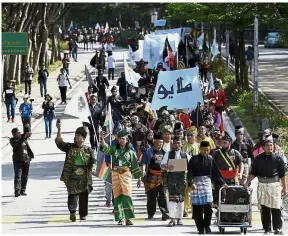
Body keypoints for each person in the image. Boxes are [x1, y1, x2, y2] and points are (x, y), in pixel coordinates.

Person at [100, 130, 143, 226]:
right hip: (115, 175)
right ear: (118, 139)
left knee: (127, 195)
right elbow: (105, 148)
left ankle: (128, 218)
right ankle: (120, 218)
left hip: (126, 175)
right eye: (120, 139)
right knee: (117, 196)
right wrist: (102, 139)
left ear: (127, 140)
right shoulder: (114, 149)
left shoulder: (131, 152)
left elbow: (135, 166)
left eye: (123, 139)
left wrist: (139, 179)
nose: (122, 140)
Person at [244, 137, 286, 235]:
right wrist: (247, 182)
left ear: (274, 146)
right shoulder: (258, 158)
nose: (269, 147)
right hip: (262, 185)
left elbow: (283, 174)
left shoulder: (278, 157)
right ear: (263, 147)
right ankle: (267, 229)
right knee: (265, 208)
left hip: (275, 186)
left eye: (271, 145)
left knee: (276, 208)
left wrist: (285, 188)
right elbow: (253, 172)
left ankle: (277, 228)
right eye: (267, 145)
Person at [55, 124, 96, 222]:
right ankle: (72, 212)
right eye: (76, 135)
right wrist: (59, 129)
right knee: (72, 193)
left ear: (83, 138)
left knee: (84, 194)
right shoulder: (69, 147)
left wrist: (93, 168)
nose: (76, 137)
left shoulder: (88, 149)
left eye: (79, 136)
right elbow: (60, 142)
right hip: (72, 175)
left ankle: (83, 214)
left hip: (84, 176)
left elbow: (93, 161)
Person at [188, 141, 226, 234]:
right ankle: (200, 228)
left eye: (207, 150)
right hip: (195, 185)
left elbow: (216, 174)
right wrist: (191, 183)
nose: (206, 152)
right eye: (204, 150)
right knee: (197, 209)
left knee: (208, 208)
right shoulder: (193, 159)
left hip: (207, 184)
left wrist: (223, 183)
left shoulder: (211, 159)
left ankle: (207, 226)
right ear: (200, 149)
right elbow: (190, 173)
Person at [161, 136, 191, 227]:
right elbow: (162, 165)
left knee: (181, 199)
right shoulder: (168, 154)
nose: (177, 145)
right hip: (172, 179)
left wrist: (187, 170)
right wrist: (167, 167)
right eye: (175, 143)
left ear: (182, 144)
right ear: (172, 144)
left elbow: (191, 167)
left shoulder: (186, 155)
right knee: (172, 200)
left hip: (182, 179)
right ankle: (172, 219)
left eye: (178, 143)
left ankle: (179, 218)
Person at [142, 134, 170, 221]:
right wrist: (143, 170)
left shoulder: (165, 152)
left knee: (163, 196)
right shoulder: (148, 152)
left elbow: (169, 164)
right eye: (158, 142)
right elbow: (144, 163)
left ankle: (165, 213)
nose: (160, 144)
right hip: (151, 177)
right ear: (154, 142)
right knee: (151, 197)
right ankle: (150, 214)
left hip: (162, 177)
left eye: (161, 142)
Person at [213, 131, 244, 204]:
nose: (222, 144)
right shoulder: (217, 153)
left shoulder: (235, 153)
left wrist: (241, 173)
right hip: (220, 180)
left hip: (233, 180)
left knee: (233, 198)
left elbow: (241, 164)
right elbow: (213, 167)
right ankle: (220, 213)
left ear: (229, 143)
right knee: (220, 199)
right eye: (222, 142)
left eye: (225, 143)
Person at [10, 127, 34, 197]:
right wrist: (24, 137)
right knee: (18, 176)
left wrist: (27, 132)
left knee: (25, 176)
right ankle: (17, 191)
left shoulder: (22, 138)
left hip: (26, 160)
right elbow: (18, 143)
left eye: (20, 132)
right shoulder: (13, 140)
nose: (19, 133)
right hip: (18, 161)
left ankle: (22, 190)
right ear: (14, 134)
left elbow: (27, 134)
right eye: (18, 133)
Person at [183, 126, 200, 217]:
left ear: (195, 136)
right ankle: (185, 209)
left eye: (191, 135)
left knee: (196, 191)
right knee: (186, 190)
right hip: (186, 171)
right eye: (188, 135)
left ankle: (195, 209)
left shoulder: (198, 146)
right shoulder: (183, 146)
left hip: (196, 172)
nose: (189, 137)